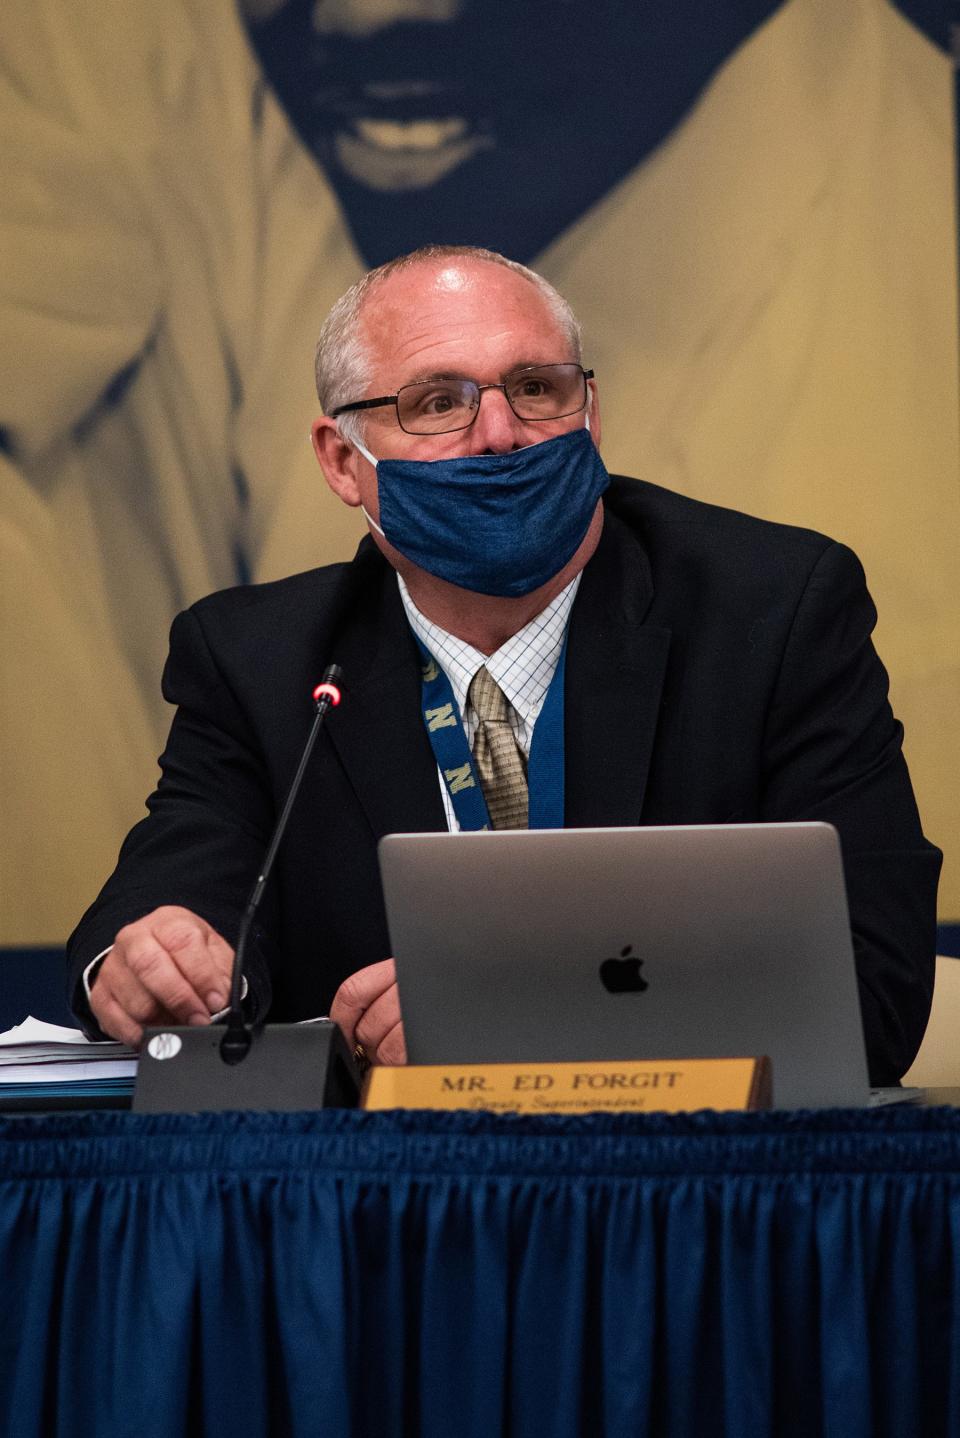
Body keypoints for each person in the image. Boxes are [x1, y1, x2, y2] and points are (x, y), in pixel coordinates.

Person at [67, 244, 941, 1084]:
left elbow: (873, 991)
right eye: (437, 402)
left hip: (692, 1193)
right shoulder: (261, 660)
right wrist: (152, 960)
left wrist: (507, 1018)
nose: (500, 433)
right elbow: (176, 889)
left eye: (535, 388)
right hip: (374, 1205)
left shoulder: (772, 613)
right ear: (343, 461)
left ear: (589, 416)